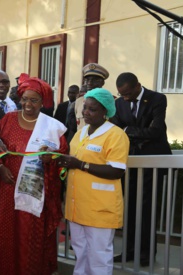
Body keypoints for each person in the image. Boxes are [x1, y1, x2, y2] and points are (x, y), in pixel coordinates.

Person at [0, 74, 68, 274]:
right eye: (24, 99)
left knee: (29, 236)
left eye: (33, 100)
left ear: (42, 102)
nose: (27, 104)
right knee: (4, 235)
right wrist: (0, 167)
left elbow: (62, 161)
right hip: (6, 192)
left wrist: (51, 159)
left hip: (34, 195)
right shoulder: (7, 121)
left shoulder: (53, 127)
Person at [57, 88, 129, 275]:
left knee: (99, 256)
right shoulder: (80, 133)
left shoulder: (116, 134)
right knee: (80, 253)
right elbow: (72, 159)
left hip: (99, 207)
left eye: (92, 109)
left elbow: (116, 170)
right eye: (85, 108)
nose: (85, 112)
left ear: (105, 111)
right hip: (77, 205)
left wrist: (80, 164)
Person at [110, 72, 172, 266]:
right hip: (130, 162)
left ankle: (146, 254)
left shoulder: (157, 99)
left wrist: (128, 131)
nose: (125, 98)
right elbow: (116, 130)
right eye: (122, 94)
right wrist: (134, 133)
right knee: (129, 209)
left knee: (147, 210)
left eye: (127, 94)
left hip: (153, 162)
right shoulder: (119, 104)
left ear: (137, 86)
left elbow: (156, 131)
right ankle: (129, 251)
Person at [72, 63, 109, 133]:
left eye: (94, 80)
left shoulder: (110, 102)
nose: (89, 83)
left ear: (102, 83)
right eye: (87, 80)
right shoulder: (79, 101)